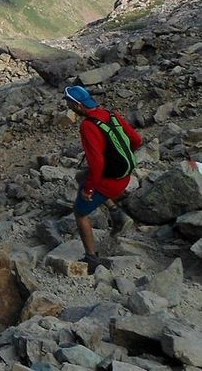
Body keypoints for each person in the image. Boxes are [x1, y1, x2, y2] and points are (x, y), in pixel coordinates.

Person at [65, 84, 141, 270]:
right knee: (80, 177)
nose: (67, 106)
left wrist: (89, 190)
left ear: (77, 106)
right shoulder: (110, 115)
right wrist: (119, 158)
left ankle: (91, 258)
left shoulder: (88, 126)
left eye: (68, 102)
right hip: (124, 175)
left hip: (110, 180)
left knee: (80, 212)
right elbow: (137, 140)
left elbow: (97, 164)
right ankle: (116, 213)